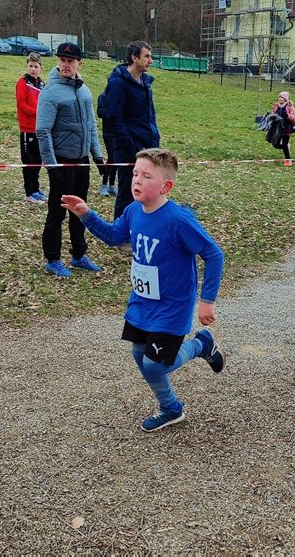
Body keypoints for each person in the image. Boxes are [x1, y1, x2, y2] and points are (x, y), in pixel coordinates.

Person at [61, 148, 225, 432]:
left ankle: (201, 345)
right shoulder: (133, 210)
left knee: (155, 365)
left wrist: (207, 300)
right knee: (140, 354)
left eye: (146, 176)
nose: (137, 180)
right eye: (136, 173)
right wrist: (85, 214)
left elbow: (213, 254)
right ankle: (171, 408)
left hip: (172, 306)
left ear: (166, 186)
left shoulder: (178, 220)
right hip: (141, 302)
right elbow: (114, 236)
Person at [36, 42, 105, 278]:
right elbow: (42, 131)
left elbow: (91, 126)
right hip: (62, 162)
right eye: (62, 61)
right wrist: (52, 165)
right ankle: (53, 259)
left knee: (80, 209)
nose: (66, 65)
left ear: (79, 63)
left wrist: (98, 156)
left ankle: (78, 255)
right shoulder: (50, 92)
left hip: (81, 160)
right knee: (57, 212)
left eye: (70, 61)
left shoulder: (84, 91)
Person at [105, 40, 160, 219]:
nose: (150, 60)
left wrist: (154, 142)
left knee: (145, 192)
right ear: (134, 58)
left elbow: (149, 117)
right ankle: (120, 235)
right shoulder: (118, 83)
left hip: (147, 147)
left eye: (150, 56)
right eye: (146, 56)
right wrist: (130, 146)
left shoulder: (145, 83)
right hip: (128, 149)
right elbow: (114, 118)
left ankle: (136, 229)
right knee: (127, 192)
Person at [15, 52, 46, 205]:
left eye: (36, 66)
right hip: (27, 128)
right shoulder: (22, 82)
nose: (33, 69)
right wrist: (36, 113)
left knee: (38, 160)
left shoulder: (42, 84)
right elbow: (21, 104)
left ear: (40, 68)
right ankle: (29, 192)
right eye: (30, 66)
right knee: (29, 161)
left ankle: (36, 189)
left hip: (39, 129)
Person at [96, 89, 117, 197]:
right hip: (109, 133)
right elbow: (99, 112)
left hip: (120, 132)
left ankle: (112, 185)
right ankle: (104, 184)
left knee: (117, 159)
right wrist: (112, 113)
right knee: (112, 158)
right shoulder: (103, 96)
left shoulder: (120, 96)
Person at [272, 91, 295, 166]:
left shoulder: (289, 106)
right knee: (275, 144)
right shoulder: (276, 105)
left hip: (287, 128)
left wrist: (288, 116)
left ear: (285, 99)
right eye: (279, 97)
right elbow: (273, 113)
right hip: (278, 128)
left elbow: (294, 118)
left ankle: (288, 161)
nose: (280, 98)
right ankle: (287, 146)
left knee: (284, 144)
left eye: (281, 97)